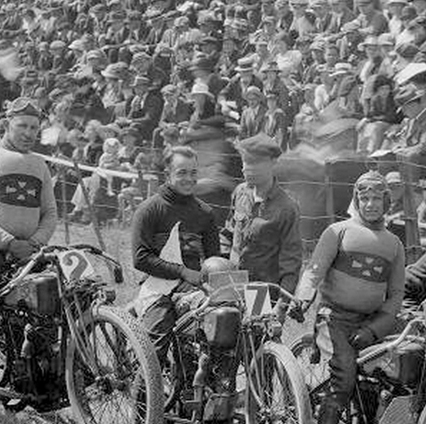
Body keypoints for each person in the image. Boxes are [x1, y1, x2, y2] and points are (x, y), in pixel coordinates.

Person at [297, 172, 407, 424]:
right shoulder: (338, 231)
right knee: (344, 377)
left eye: (376, 199)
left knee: (389, 374)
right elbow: (314, 271)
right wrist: (303, 299)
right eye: (364, 198)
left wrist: (374, 329)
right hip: (332, 319)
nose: (370, 204)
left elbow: (395, 296)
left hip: (369, 324)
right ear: (356, 200)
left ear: (386, 202)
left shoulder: (394, 245)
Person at [0, 99, 59, 290]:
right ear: (6, 125)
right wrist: (10, 243)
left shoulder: (40, 165)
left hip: (32, 251)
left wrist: (34, 243)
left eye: (34, 128)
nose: (28, 133)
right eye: (22, 126)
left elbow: (50, 212)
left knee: (55, 300)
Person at [128, 147, 223, 326]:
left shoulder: (205, 213)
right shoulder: (149, 210)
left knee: (220, 325)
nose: (188, 179)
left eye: (193, 172)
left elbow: (213, 259)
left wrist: (203, 278)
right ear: (167, 174)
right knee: (158, 337)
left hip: (194, 287)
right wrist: (183, 272)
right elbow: (140, 258)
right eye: (181, 173)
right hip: (158, 285)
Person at [230, 136, 305, 291]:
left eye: (255, 163)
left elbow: (291, 260)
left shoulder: (286, 207)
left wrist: (283, 303)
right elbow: (228, 231)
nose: (247, 169)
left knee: (257, 316)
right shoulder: (240, 193)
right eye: (245, 161)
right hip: (233, 282)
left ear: (272, 163)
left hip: (262, 288)